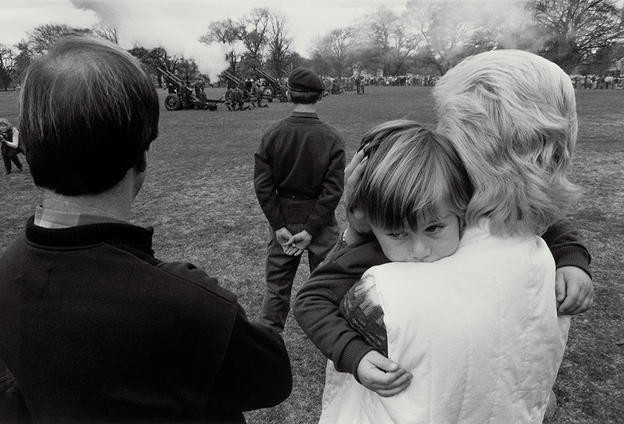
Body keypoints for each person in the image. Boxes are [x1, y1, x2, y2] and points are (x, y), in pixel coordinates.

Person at [0, 35, 292, 423]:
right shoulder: (186, 304)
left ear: (27, 146)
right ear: (141, 154)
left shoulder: (6, 271)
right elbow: (274, 379)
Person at [294, 49, 593, 423]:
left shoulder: (383, 290)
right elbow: (546, 220)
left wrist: (355, 233)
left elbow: (320, 296)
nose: (419, 250)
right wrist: (572, 260)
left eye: (447, 125)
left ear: (469, 137)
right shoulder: (516, 240)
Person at [336, 120, 472, 356]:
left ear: (463, 211)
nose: (419, 251)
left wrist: (561, 254)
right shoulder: (374, 251)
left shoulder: (477, 240)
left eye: (433, 228)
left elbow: (533, 227)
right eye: (398, 234)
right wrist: (357, 230)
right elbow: (319, 296)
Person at [254, 67, 345, 332]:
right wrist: (311, 230)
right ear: (319, 96)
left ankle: (267, 343)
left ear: (289, 93)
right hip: (321, 223)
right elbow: (333, 190)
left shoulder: (273, 134)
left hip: (285, 218)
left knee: (276, 291)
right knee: (329, 288)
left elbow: (263, 185)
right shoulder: (332, 137)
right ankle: (334, 341)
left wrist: (279, 226)